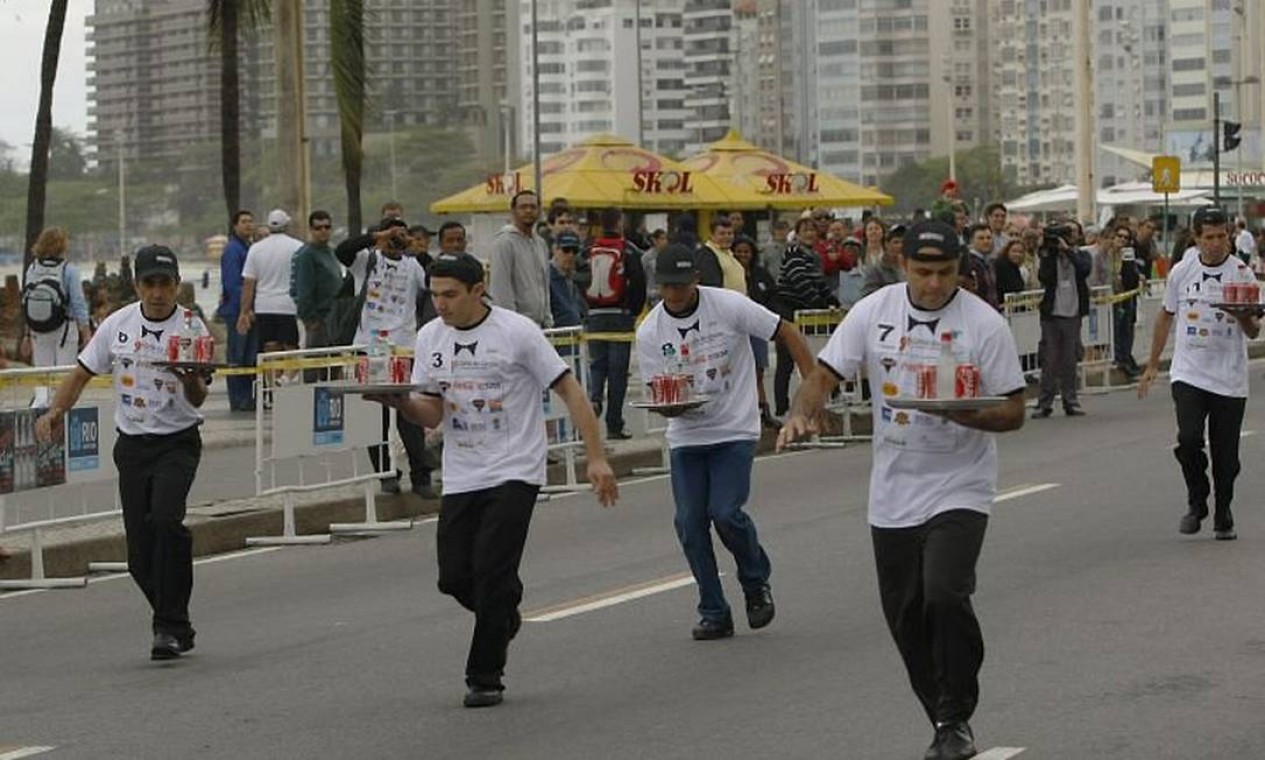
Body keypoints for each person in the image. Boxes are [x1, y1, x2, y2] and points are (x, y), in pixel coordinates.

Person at [777, 220, 1026, 760]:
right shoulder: (875, 311)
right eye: (922, 272)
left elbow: (1014, 410)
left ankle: (956, 711)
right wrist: (801, 413)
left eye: (944, 273)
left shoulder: (983, 324)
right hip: (893, 491)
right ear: (902, 264)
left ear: (959, 270)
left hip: (961, 483)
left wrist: (960, 413)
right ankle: (942, 717)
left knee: (944, 592)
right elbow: (823, 374)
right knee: (905, 615)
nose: (934, 284)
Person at [367, 252, 618, 708]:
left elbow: (570, 390)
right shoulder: (429, 337)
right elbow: (432, 410)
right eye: (435, 295)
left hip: (515, 467)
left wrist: (595, 457)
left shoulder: (517, 332)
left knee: (490, 570)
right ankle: (502, 609)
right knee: (453, 577)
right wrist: (398, 403)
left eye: (451, 295)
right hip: (464, 471)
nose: (441, 304)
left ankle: (485, 676)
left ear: (477, 290)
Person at [35, 246, 211, 660]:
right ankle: (176, 621)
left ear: (177, 285)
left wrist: (188, 379)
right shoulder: (117, 325)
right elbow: (81, 372)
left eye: (165, 283)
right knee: (138, 558)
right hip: (132, 447)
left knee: (166, 521)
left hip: (177, 442)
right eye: (149, 283)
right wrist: (56, 411)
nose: (157, 292)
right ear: (137, 285)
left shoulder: (192, 327)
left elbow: (199, 398)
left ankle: (167, 627)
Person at [636, 244, 818, 641]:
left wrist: (813, 388)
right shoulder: (650, 330)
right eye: (667, 287)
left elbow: (785, 330)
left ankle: (755, 581)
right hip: (686, 434)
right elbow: (658, 391)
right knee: (689, 522)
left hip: (734, 428)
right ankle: (714, 609)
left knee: (725, 512)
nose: (675, 295)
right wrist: (670, 408)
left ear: (696, 281)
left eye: (682, 286)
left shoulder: (729, 306)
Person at [1138, 207, 1258, 541]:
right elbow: (1165, 316)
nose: (1217, 243)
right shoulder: (1182, 271)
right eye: (1210, 237)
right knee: (1189, 439)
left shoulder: (1242, 274)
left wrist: (1243, 316)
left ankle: (1223, 512)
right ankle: (1197, 501)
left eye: (1223, 236)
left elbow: (1252, 331)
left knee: (1226, 457)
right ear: (1196, 237)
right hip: (1189, 372)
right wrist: (1151, 364)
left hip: (1229, 378)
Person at [335, 217, 436, 498]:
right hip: (370, 348)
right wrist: (376, 238)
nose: (397, 240)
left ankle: (421, 476)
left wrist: (415, 248)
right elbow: (341, 251)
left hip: (404, 348)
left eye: (401, 235)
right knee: (376, 415)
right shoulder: (366, 260)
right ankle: (386, 474)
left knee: (409, 415)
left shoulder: (413, 265)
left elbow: (434, 277)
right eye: (393, 235)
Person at [583, 208, 647, 440]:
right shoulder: (629, 250)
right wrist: (633, 311)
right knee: (618, 372)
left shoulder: (589, 248)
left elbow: (580, 278)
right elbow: (639, 282)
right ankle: (614, 423)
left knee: (597, 365)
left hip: (595, 316)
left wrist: (587, 308)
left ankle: (595, 399)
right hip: (620, 315)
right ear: (620, 222)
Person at [773, 217, 839, 416]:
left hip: (806, 311)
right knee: (786, 359)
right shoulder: (794, 252)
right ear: (798, 233)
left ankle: (827, 397)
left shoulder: (813, 256)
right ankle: (781, 407)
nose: (810, 233)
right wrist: (818, 304)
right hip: (788, 309)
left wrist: (831, 301)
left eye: (813, 230)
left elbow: (819, 283)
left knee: (817, 355)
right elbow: (800, 282)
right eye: (805, 230)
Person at [1032, 222, 1092, 418]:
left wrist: (1069, 251)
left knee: (1069, 360)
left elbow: (1084, 270)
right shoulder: (1048, 256)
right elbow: (1044, 277)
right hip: (1051, 315)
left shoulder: (1082, 255)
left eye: (1070, 234)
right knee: (1049, 359)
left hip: (1072, 313)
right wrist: (1050, 252)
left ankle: (1070, 400)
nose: (1066, 238)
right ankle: (1044, 403)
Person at [22, 227, 91, 373]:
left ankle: (42, 396)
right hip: (65, 329)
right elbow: (78, 303)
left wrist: (26, 334)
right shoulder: (69, 270)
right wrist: (85, 332)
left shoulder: (33, 268)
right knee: (63, 375)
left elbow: (27, 301)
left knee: (42, 375)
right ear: (62, 246)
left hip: (38, 329)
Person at [236, 209, 302, 355]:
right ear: (286, 226)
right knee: (290, 347)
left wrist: (244, 312)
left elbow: (248, 284)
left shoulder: (256, 249)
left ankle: (273, 377)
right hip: (288, 306)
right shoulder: (297, 247)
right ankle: (288, 378)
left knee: (269, 347)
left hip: (263, 306)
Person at [733, 236, 781, 429]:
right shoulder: (732, 274)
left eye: (747, 251)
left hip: (757, 329)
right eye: (740, 251)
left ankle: (763, 410)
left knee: (758, 371)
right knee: (741, 374)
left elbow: (772, 295)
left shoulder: (760, 273)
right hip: (738, 330)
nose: (743, 255)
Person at [488, 191, 552, 328]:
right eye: (523, 207)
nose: (528, 211)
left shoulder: (541, 244)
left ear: (539, 211)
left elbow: (544, 285)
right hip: (515, 327)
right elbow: (500, 289)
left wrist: (548, 319)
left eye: (533, 207)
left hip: (540, 326)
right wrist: (511, 325)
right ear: (513, 211)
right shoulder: (504, 242)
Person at [218, 210, 257, 411]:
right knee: (238, 355)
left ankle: (248, 398)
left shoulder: (249, 248)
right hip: (236, 312)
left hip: (246, 310)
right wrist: (246, 308)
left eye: (251, 221)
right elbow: (232, 283)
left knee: (250, 356)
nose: (248, 225)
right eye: (243, 222)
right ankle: (239, 399)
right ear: (234, 226)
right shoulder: (233, 250)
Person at [291, 210, 345, 354]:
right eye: (318, 228)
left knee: (334, 364)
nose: (323, 231)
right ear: (311, 230)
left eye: (327, 227)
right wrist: (310, 319)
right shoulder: (307, 255)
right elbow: (303, 290)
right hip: (318, 320)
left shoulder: (331, 252)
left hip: (335, 317)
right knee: (314, 364)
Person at [1108, 224, 1143, 379]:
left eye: (1126, 238)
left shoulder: (1128, 255)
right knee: (1115, 328)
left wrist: (1131, 265)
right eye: (1119, 236)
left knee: (1127, 328)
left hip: (1127, 296)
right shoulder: (1108, 254)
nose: (1122, 240)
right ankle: (1118, 357)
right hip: (1112, 297)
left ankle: (1126, 356)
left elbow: (1131, 277)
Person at [693, 216, 743, 291]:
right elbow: (711, 287)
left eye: (730, 233)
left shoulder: (730, 254)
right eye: (722, 234)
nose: (727, 237)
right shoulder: (706, 255)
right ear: (712, 235)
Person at [548, 230, 584, 329]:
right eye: (566, 250)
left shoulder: (572, 278)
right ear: (555, 250)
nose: (571, 255)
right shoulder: (546, 276)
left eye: (575, 251)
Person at [861, 224, 907, 298]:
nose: (900, 246)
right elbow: (868, 296)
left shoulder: (914, 268)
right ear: (887, 244)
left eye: (903, 242)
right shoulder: (877, 270)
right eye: (896, 242)